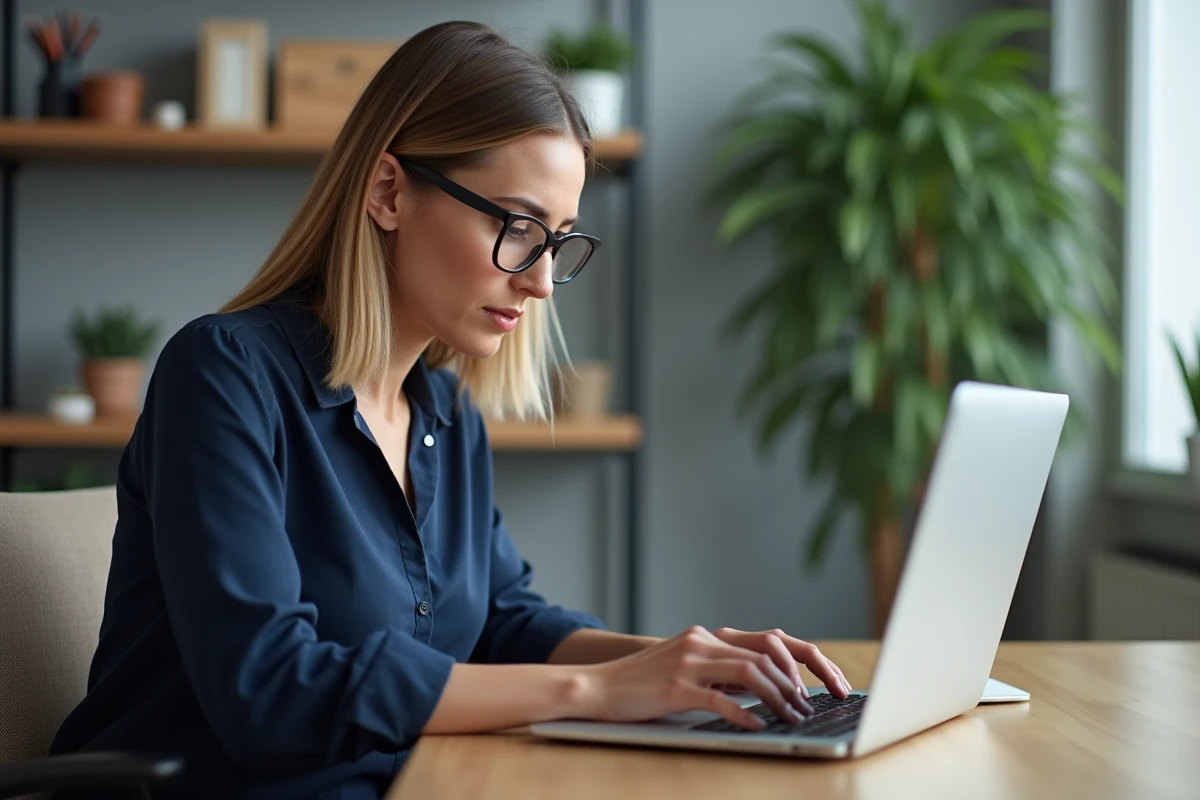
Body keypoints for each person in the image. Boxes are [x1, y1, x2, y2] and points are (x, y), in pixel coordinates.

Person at [49, 20, 850, 800]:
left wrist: (688, 664)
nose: (540, 282)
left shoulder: (444, 413)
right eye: (517, 226)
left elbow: (505, 623)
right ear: (390, 191)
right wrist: (596, 691)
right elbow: (270, 692)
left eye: (558, 239)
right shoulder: (225, 376)